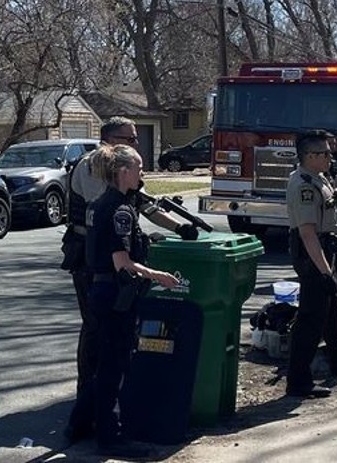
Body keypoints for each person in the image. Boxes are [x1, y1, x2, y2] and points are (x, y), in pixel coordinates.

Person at [61, 117, 191, 444]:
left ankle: (82, 419)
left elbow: (142, 204)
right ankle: (102, 425)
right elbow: (119, 226)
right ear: (111, 140)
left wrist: (180, 227)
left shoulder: (120, 191)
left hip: (108, 272)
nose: (135, 143)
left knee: (108, 353)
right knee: (105, 349)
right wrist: (154, 272)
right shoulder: (94, 170)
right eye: (130, 139)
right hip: (98, 268)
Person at [82, 144, 179, 460]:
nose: (142, 173)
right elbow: (122, 263)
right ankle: (111, 438)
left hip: (100, 292)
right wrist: (159, 275)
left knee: (102, 363)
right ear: (123, 172)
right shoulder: (120, 209)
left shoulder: (99, 203)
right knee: (114, 367)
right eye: (138, 167)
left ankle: (81, 424)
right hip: (116, 296)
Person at [285, 130, 337, 399]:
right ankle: (298, 381)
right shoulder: (304, 186)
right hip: (312, 255)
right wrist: (323, 272)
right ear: (309, 156)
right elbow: (308, 233)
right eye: (324, 153)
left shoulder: (319, 177)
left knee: (331, 311)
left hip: (325, 249)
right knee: (311, 318)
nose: (330, 157)